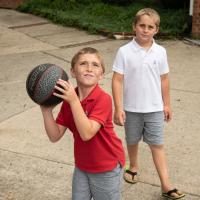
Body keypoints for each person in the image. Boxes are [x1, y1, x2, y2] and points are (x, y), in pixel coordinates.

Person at [112, 8, 185, 200]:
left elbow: (164, 80)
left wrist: (166, 104)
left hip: (154, 108)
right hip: (131, 108)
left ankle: (166, 184)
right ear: (134, 27)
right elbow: (117, 80)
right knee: (132, 140)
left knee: (157, 145)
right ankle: (134, 165)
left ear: (156, 30)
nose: (145, 30)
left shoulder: (160, 52)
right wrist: (118, 107)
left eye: (150, 27)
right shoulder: (124, 51)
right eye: (141, 25)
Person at [40, 47, 125, 200]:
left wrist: (73, 101)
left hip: (106, 166)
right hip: (82, 166)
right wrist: (46, 111)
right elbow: (55, 135)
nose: (89, 68)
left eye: (95, 65)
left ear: (101, 75)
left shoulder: (103, 99)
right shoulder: (69, 100)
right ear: (72, 72)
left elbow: (87, 133)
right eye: (83, 64)